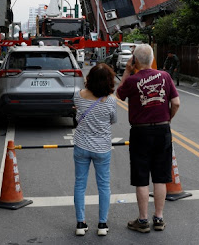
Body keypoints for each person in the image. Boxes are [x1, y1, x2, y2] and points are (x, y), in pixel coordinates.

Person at [116, 44, 179, 233]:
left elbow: (118, 95)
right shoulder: (165, 76)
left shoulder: (132, 80)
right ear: (152, 59)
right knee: (160, 177)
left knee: (141, 178)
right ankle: (158, 218)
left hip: (140, 132)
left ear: (134, 61)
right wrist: (167, 118)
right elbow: (175, 102)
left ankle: (142, 221)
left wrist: (127, 71)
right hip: (162, 130)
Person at [73, 64, 117, 237]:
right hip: (102, 148)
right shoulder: (111, 100)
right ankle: (102, 224)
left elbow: (78, 116)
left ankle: (80, 223)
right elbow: (113, 120)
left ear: (89, 78)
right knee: (104, 185)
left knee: (80, 184)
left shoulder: (78, 96)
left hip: (81, 146)